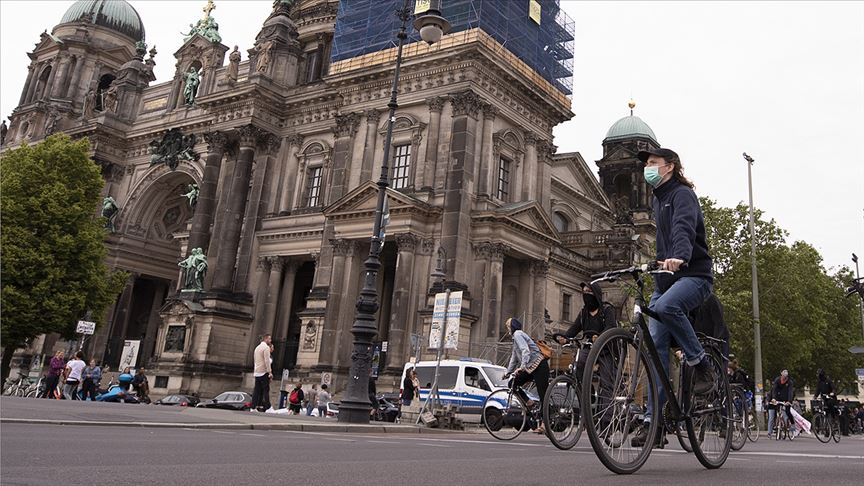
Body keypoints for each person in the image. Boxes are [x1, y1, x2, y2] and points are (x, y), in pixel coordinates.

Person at [631, 147, 717, 448]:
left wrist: (679, 256)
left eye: (653, 163)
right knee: (655, 351)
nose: (648, 168)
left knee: (667, 307)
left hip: (694, 275)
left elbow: (683, 227)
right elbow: (661, 245)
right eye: (646, 165)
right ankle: (653, 422)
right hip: (665, 280)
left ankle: (699, 361)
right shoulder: (658, 199)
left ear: (670, 167)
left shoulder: (682, 195)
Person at [552, 281, 617, 379]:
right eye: (584, 292)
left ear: (596, 293)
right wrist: (565, 338)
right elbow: (574, 329)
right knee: (578, 365)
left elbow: (610, 326)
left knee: (607, 377)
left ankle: (606, 393)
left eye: (589, 291)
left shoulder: (607, 310)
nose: (586, 294)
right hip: (590, 347)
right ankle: (585, 392)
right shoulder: (583, 313)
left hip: (606, 348)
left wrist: (600, 337)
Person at [504, 317, 549, 434]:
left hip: (539, 365)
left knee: (543, 394)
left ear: (512, 326)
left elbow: (525, 351)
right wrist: (508, 372)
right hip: (530, 367)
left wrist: (522, 367)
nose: (507, 328)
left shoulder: (518, 334)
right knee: (512, 383)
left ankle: (545, 424)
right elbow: (514, 358)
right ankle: (529, 402)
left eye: (508, 326)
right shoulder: (515, 339)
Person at [767, 370, 797, 438]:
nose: (784, 378)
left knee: (787, 412)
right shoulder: (777, 380)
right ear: (781, 375)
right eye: (783, 376)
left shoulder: (790, 382)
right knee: (777, 412)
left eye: (785, 377)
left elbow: (790, 392)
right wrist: (774, 398)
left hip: (786, 399)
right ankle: (778, 425)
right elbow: (774, 389)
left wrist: (789, 401)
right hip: (778, 398)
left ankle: (792, 424)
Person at [251, 334, 273, 412]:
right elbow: (267, 361)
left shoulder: (257, 348)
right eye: (269, 339)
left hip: (257, 371)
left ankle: (253, 407)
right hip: (263, 372)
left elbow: (255, 360)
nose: (270, 340)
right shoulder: (266, 348)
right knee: (266, 390)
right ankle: (268, 407)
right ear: (266, 339)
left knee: (256, 390)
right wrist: (269, 372)